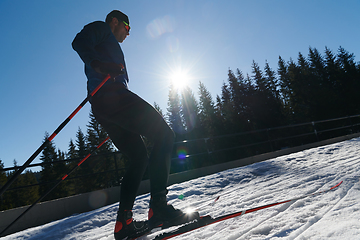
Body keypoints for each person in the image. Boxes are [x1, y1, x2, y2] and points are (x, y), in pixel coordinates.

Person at [72, 10, 198, 240]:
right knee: (165, 136)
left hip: (104, 104)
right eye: (127, 28)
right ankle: (159, 208)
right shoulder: (101, 28)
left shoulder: (108, 45)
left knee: (139, 156)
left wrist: (103, 67)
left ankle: (124, 224)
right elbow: (79, 41)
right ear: (115, 21)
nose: (128, 34)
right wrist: (100, 64)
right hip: (113, 96)